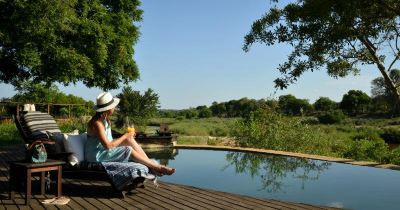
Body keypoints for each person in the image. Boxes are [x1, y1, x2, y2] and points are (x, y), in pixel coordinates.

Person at [85, 92, 175, 176]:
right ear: (107, 109)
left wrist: (127, 137)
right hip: (96, 155)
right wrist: (125, 136)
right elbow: (108, 146)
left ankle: (149, 164)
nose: (115, 108)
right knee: (128, 149)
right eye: (113, 106)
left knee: (129, 140)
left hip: (103, 150)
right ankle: (157, 167)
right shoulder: (97, 123)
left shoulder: (105, 120)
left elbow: (110, 142)